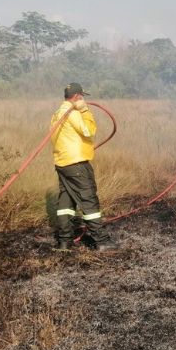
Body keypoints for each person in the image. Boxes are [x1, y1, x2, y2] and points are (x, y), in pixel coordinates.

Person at [50, 83, 117, 251]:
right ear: (77, 97)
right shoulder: (72, 113)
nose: (83, 99)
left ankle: (65, 241)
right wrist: (85, 110)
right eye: (82, 97)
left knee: (66, 201)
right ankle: (102, 241)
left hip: (62, 164)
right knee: (88, 200)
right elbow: (89, 131)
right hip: (77, 164)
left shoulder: (56, 113)